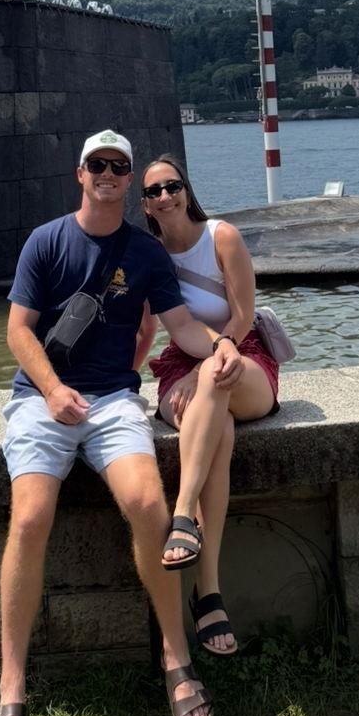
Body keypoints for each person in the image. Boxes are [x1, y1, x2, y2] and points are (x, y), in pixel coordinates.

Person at [0, 130, 245, 716]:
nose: (108, 174)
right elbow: (19, 331)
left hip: (113, 404)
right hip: (40, 402)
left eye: (119, 167)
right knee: (30, 518)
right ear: (80, 174)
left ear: (130, 183)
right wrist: (49, 390)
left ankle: (176, 659)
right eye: (97, 165)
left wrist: (224, 348)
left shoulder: (144, 254)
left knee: (150, 507)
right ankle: (11, 695)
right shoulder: (46, 241)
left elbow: (181, 326)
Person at [135, 153, 279, 657]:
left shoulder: (222, 237)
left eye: (172, 186)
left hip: (244, 354)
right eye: (154, 192)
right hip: (182, 364)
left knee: (216, 379)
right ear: (146, 205)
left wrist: (219, 353)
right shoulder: (149, 255)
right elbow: (147, 327)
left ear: (186, 190)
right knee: (220, 426)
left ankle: (181, 516)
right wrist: (121, 377)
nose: (165, 196)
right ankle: (209, 594)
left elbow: (243, 314)